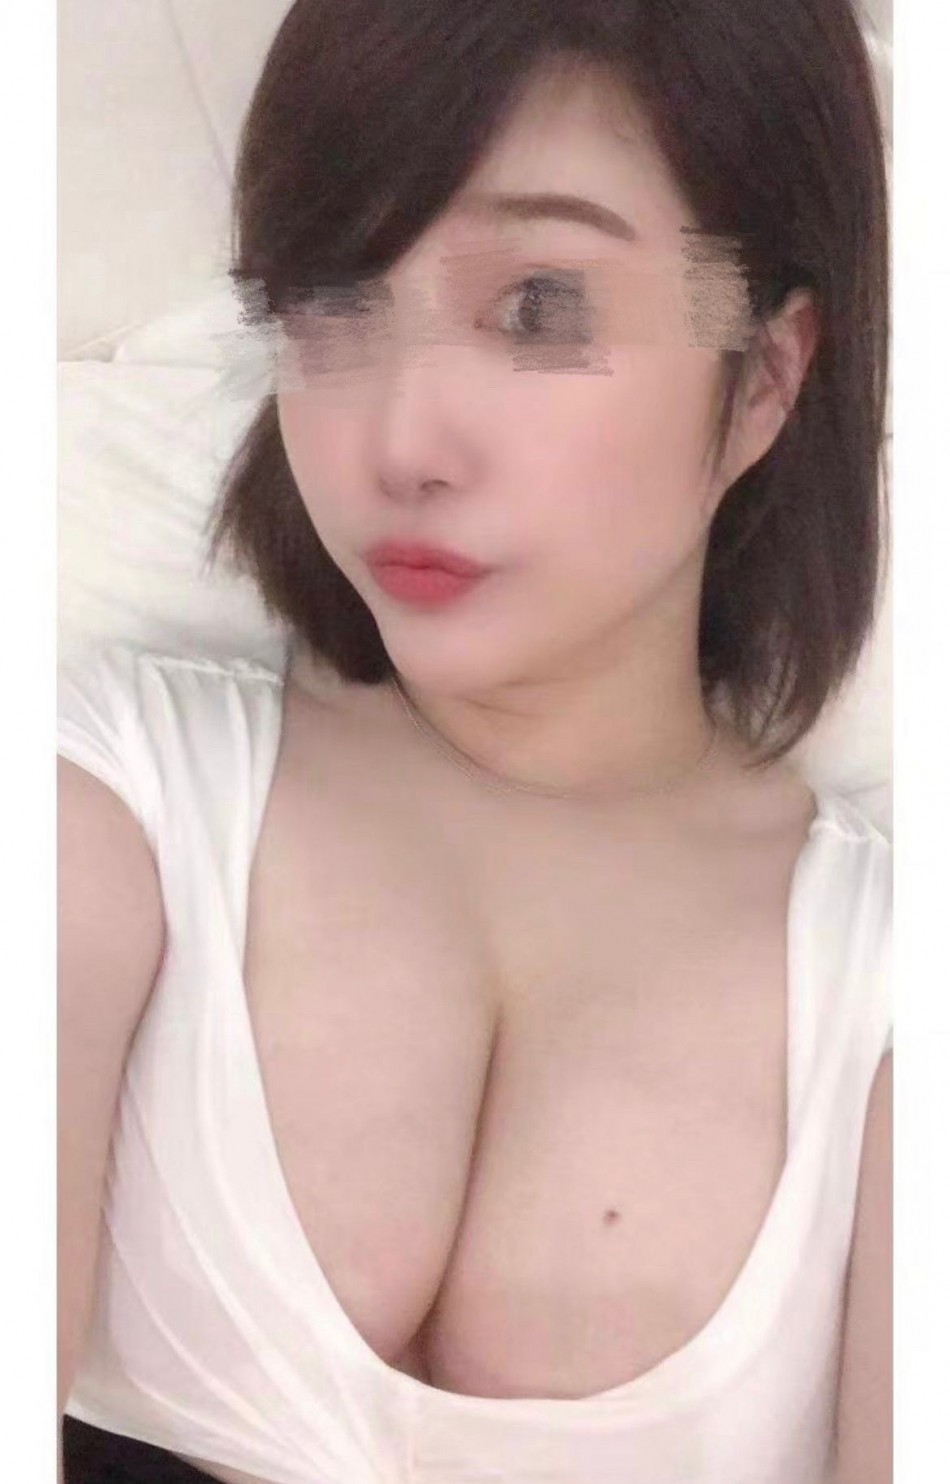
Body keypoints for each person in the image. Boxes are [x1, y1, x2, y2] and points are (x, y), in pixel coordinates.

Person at [57, 2, 892, 1482]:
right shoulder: (111, 803)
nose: (399, 445)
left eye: (541, 310)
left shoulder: (887, 987)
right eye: (330, 304)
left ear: (765, 374)